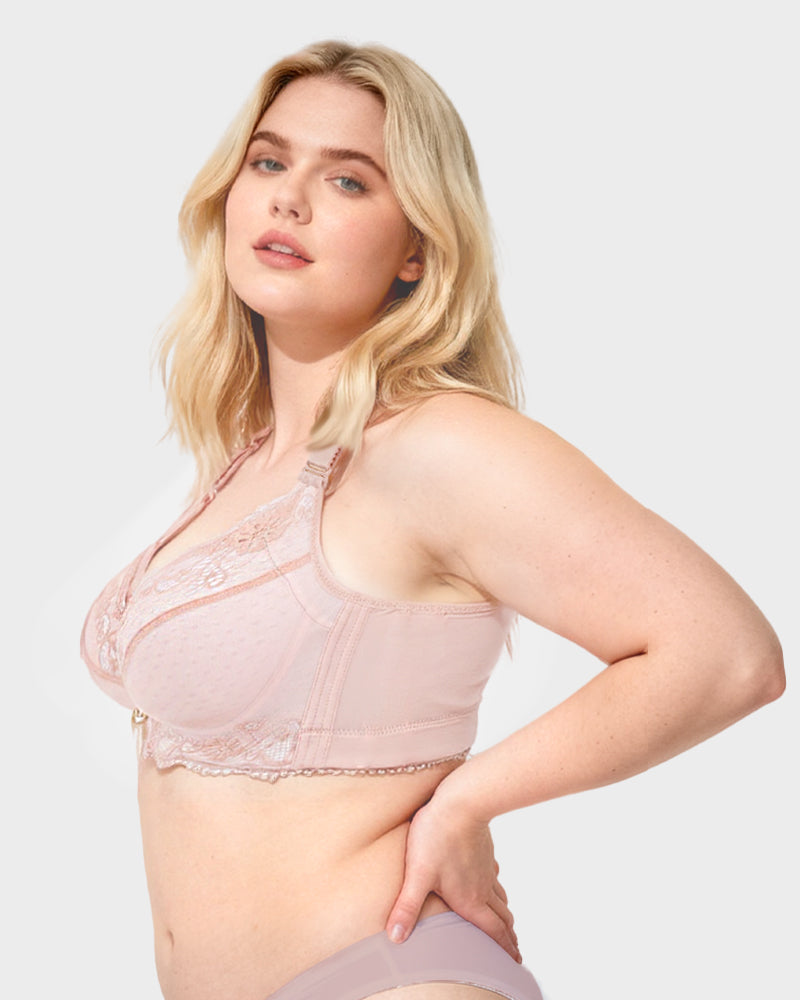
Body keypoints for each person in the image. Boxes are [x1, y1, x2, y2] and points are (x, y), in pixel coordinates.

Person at [80, 40, 784, 1000]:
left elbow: (727, 655)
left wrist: (467, 798)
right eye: (269, 161)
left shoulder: (436, 442)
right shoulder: (249, 459)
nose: (290, 201)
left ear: (417, 248)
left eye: (348, 180)